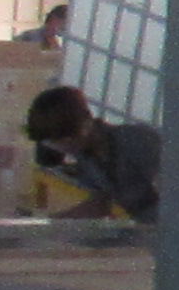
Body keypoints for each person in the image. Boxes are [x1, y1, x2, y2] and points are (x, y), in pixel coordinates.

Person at [22, 85, 163, 222]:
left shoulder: (137, 140)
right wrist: (50, 225)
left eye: (64, 141)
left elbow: (172, 188)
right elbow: (101, 204)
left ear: (84, 124)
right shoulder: (87, 160)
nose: (64, 148)